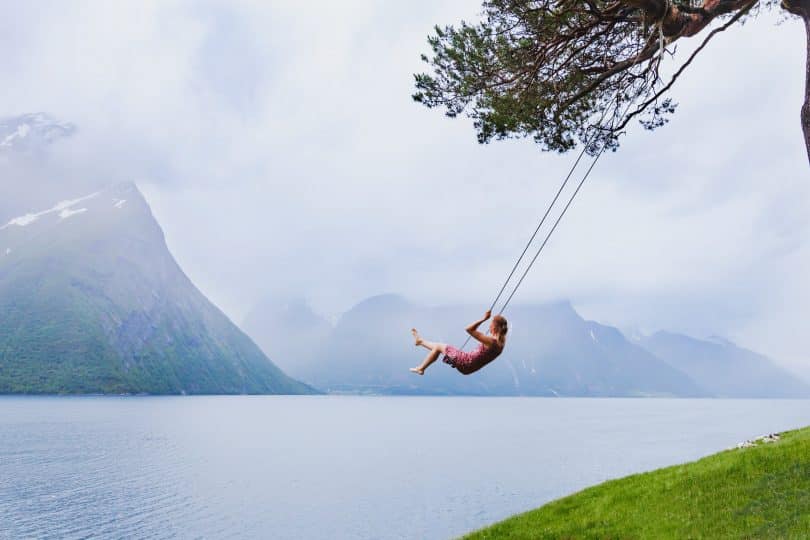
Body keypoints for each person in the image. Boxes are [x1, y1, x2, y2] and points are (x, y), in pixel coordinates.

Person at [409, 310, 508, 376]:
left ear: (495, 327)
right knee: (438, 348)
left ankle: (421, 368)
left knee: (439, 346)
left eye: (490, 325)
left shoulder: (492, 342)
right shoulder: (501, 343)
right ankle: (420, 341)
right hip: (469, 369)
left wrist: (483, 319)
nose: (489, 327)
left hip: (466, 361)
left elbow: (469, 329)